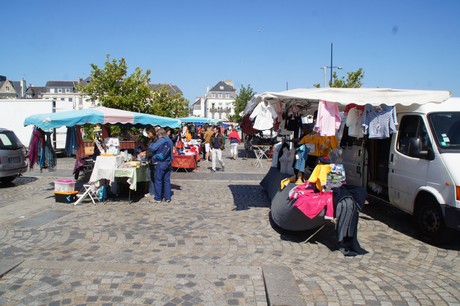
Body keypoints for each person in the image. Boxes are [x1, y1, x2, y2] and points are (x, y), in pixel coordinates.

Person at [148, 128, 174, 203]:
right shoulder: (169, 140)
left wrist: (151, 144)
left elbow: (152, 148)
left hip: (161, 162)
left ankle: (158, 198)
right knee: (167, 180)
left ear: (159, 134)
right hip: (169, 162)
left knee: (158, 180)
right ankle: (168, 197)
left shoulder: (162, 140)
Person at [140, 126, 159, 198]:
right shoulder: (151, 139)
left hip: (154, 160)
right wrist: (145, 152)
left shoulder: (156, 140)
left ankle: (155, 192)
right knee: (150, 177)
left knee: (154, 177)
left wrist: (145, 153)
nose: (148, 135)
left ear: (151, 132)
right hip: (150, 160)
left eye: (148, 133)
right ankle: (151, 191)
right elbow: (149, 149)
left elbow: (154, 150)